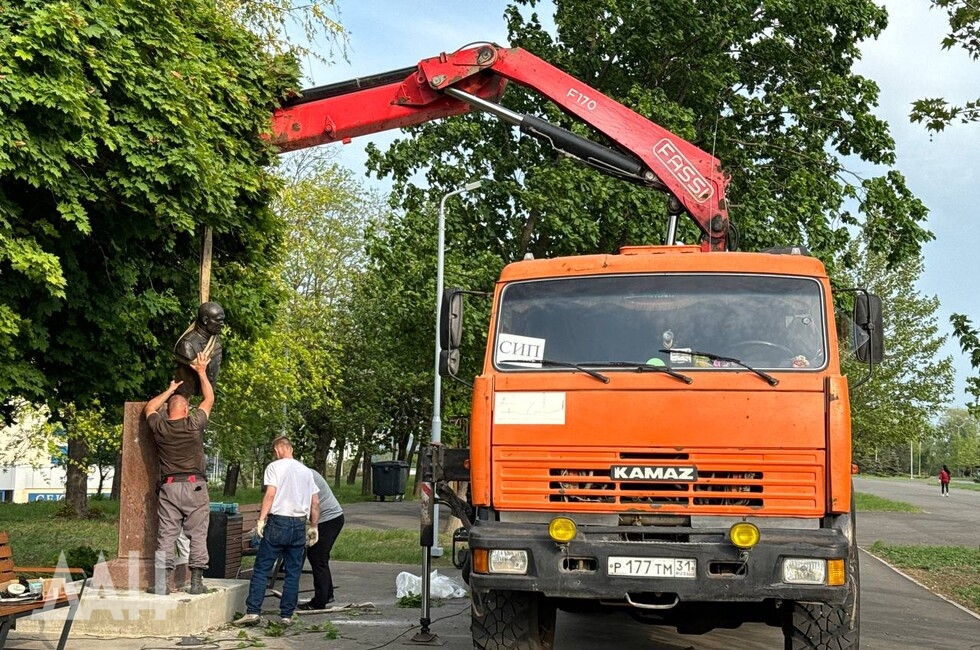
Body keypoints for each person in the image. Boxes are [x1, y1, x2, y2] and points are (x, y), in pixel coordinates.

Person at [143, 351, 214, 595]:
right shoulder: (194, 424)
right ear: (186, 410)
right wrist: (202, 372)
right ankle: (196, 583)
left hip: (169, 487)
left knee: (166, 534)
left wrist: (170, 390)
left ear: (169, 410)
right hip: (194, 486)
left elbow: (149, 407)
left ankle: (162, 585)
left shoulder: (160, 426)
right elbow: (209, 398)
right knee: (198, 534)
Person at [234, 437, 319, 627]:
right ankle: (286, 616)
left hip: (278, 523)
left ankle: (253, 612)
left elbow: (270, 494)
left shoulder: (274, 467)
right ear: (291, 449)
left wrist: (261, 520)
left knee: (262, 568)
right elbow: (315, 503)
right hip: (298, 525)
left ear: (277, 450)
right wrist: (314, 526)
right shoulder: (306, 472)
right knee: (293, 572)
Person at [297, 469, 345, 611]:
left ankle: (319, 601)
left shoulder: (302, 475)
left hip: (328, 519)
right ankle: (327, 594)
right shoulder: (305, 472)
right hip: (332, 518)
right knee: (320, 557)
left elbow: (313, 504)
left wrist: (313, 526)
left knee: (317, 557)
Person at [173, 301, 224, 398]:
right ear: (205, 320)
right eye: (218, 321)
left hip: (207, 393)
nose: (222, 324)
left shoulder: (215, 339)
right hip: (186, 395)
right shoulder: (187, 345)